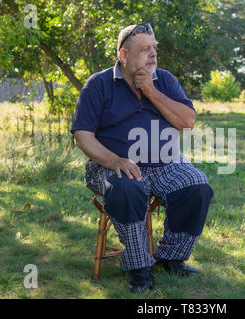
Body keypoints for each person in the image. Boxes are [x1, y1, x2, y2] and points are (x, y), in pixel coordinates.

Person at [70, 23, 214, 293]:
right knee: (125, 188)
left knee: (197, 185)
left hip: (165, 163)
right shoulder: (98, 85)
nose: (153, 54)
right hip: (110, 164)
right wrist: (114, 161)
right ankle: (139, 267)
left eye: (154, 48)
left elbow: (187, 121)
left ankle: (171, 258)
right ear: (123, 55)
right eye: (145, 49)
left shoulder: (165, 80)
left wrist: (150, 90)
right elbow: (82, 136)